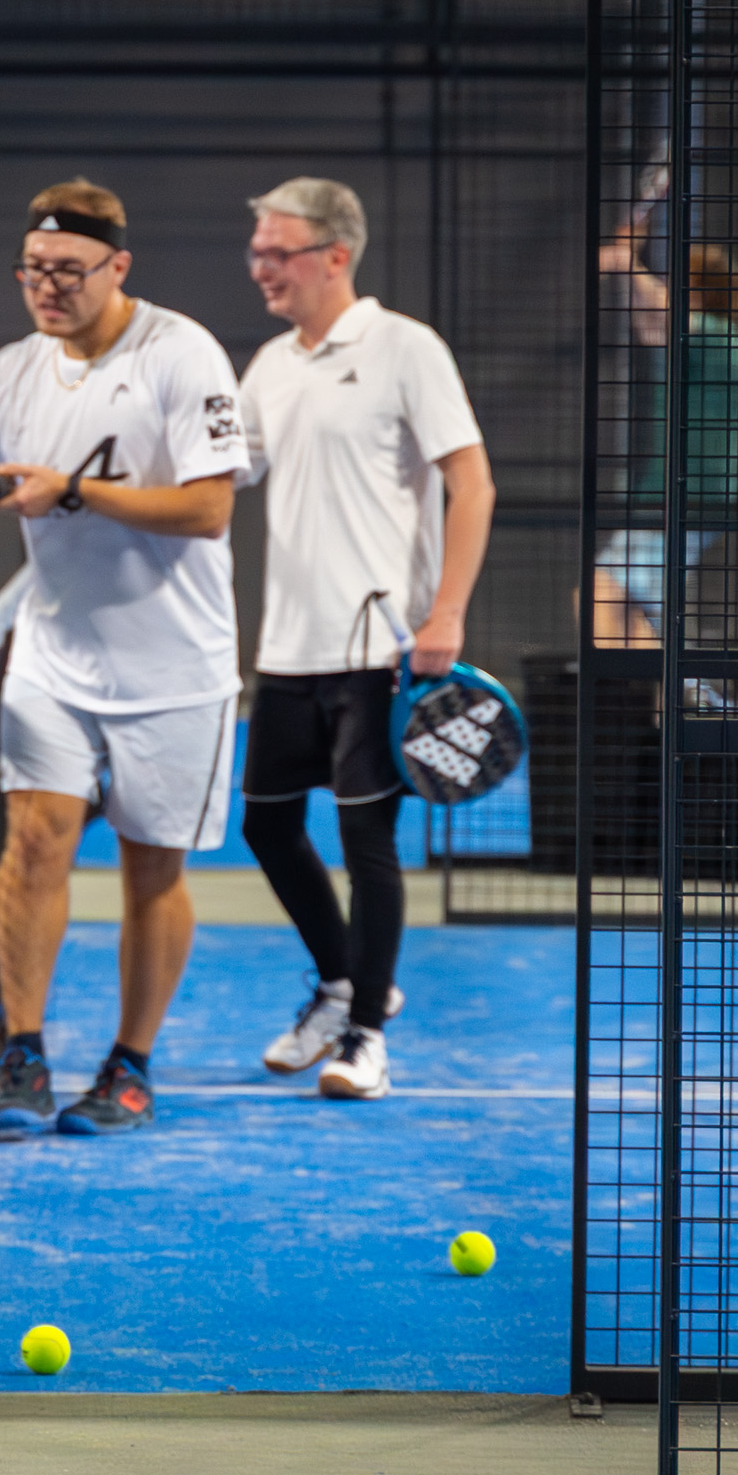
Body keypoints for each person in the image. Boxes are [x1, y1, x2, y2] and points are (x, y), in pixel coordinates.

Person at [0, 178, 249, 1136]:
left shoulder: (181, 355)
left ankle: (131, 1063)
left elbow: (209, 507)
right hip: (53, 658)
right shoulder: (13, 371)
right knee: (34, 843)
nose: (47, 288)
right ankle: (21, 1055)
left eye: (68, 271)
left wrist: (72, 492)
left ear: (118, 267)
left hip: (178, 670)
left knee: (153, 871)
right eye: (33, 270)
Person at [234, 176, 496, 1101]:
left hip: (382, 652)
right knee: (266, 826)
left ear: (334, 257)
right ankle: (346, 979)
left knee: (367, 842)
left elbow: (473, 483)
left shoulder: (404, 349)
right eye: (257, 249)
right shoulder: (267, 365)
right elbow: (223, 471)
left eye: (277, 251)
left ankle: (366, 1038)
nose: (259, 266)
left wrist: (447, 615)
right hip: (286, 650)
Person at [591, 234, 738, 650]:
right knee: (627, 614)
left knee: (601, 596)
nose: (666, 287)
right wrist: (624, 264)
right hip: (674, 499)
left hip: (688, 498)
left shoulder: (719, 338)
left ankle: (663, 700)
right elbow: (649, 323)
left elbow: (662, 312)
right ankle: (661, 705)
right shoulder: (697, 345)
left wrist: (627, 263)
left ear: (697, 289)